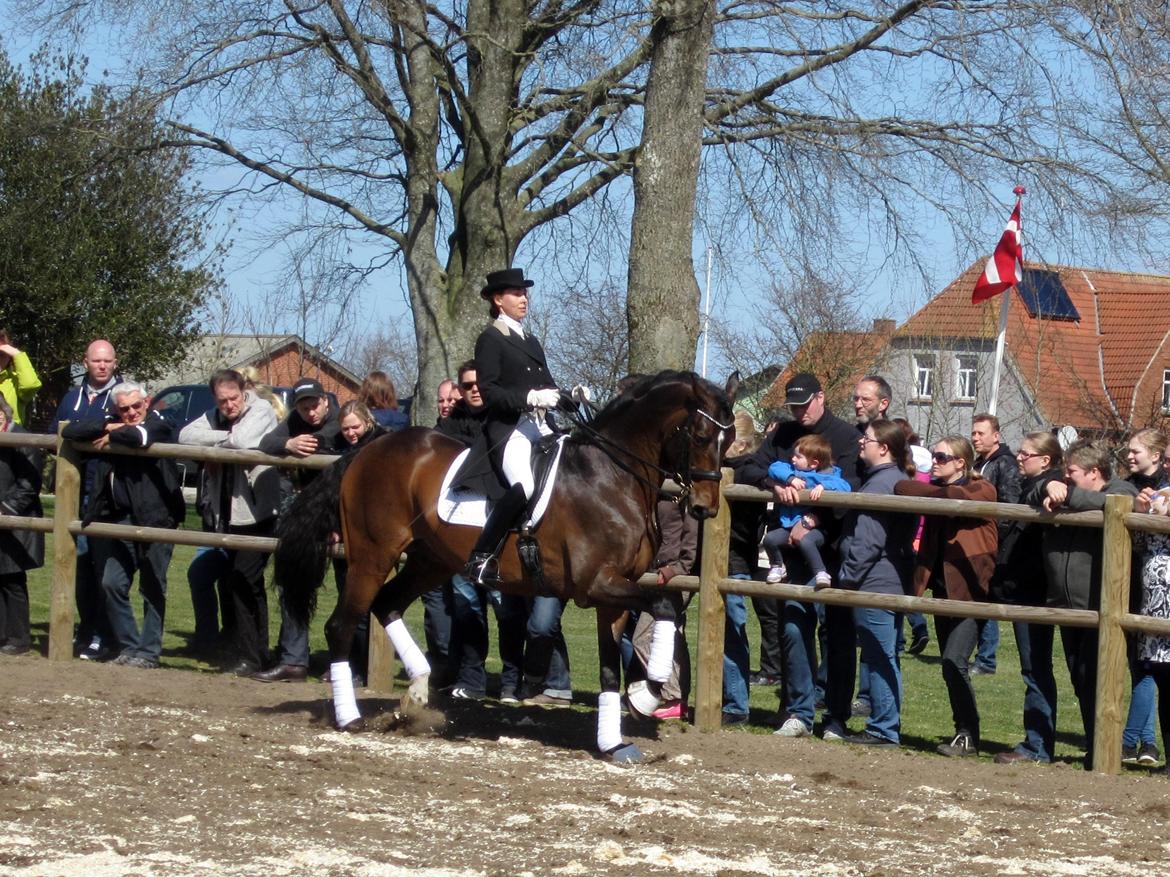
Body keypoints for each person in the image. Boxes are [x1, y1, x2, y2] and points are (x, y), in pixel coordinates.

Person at [736, 372, 862, 739]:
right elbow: (749, 465)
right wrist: (773, 485)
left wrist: (811, 517)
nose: (799, 410)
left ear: (821, 397)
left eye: (805, 403)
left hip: (833, 550)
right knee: (793, 628)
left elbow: (851, 488)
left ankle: (836, 715)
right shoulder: (782, 435)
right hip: (790, 552)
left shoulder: (846, 438)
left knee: (837, 634)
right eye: (793, 404)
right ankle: (800, 711)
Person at [457, 267, 573, 585]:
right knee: (526, 485)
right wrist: (530, 396)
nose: (524, 298)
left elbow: (547, 386)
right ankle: (481, 556)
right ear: (498, 299)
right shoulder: (491, 339)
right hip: (510, 430)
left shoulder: (531, 340)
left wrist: (571, 398)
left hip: (541, 428)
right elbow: (491, 393)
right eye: (517, 293)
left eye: (525, 293)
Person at [61, 382, 185, 669]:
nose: (130, 413)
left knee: (153, 586)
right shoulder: (114, 424)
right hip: (118, 519)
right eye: (124, 409)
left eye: (135, 407)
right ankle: (129, 646)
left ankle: (149, 653)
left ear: (147, 403)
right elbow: (70, 431)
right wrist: (109, 426)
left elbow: (141, 436)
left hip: (158, 518)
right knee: (110, 582)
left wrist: (115, 433)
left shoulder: (161, 424)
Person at [1039, 440, 1139, 768]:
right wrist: (1047, 485)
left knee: (1099, 678)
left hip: (1101, 606)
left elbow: (1120, 502)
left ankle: (1104, 750)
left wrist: (1067, 496)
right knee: (1080, 679)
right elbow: (1030, 491)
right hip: (1068, 605)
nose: (1066, 479)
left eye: (1072, 472)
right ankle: (1093, 746)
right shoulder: (1065, 490)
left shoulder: (1119, 487)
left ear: (1095, 472)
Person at [895, 435, 997, 758]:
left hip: (970, 593)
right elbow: (902, 488)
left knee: (955, 660)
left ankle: (969, 734)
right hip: (942, 591)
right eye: (934, 457)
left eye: (941, 457)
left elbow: (957, 496)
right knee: (949, 665)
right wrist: (938, 494)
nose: (934, 462)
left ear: (961, 463)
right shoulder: (938, 490)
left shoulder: (983, 488)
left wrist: (938, 495)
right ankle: (962, 732)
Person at [179, 369, 282, 676]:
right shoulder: (214, 416)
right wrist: (226, 438)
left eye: (233, 398)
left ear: (244, 391)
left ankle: (252, 656)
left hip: (257, 513)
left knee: (244, 579)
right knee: (238, 581)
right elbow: (185, 436)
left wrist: (219, 444)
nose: (229, 406)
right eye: (222, 401)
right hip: (227, 515)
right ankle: (254, 653)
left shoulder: (261, 409)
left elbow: (245, 441)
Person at [829, 419, 915, 746]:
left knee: (879, 656)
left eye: (867, 439)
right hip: (885, 579)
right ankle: (885, 725)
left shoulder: (881, 485)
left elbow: (868, 542)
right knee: (883, 654)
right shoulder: (890, 479)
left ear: (884, 447)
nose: (861, 443)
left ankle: (883, 728)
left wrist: (847, 578)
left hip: (875, 581)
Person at [255, 378, 342, 682]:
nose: (310, 412)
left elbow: (321, 442)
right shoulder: (295, 420)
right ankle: (294, 659)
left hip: (340, 514)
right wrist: (288, 444)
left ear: (326, 402)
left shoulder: (340, 421)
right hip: (309, 514)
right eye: (304, 407)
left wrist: (296, 444)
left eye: (314, 405)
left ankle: (349, 664)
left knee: (350, 591)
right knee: (293, 580)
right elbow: (267, 443)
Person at [993, 431, 1066, 765]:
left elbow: (1046, 490)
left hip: (1036, 592)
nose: (1019, 458)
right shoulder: (1031, 486)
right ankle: (1037, 743)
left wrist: (1050, 487)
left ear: (1045, 460)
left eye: (1026, 453)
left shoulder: (1052, 486)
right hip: (1025, 589)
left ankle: (1038, 746)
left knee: (1035, 669)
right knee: (1033, 668)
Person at [50, 338, 122, 660]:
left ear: (115, 363)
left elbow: (128, 428)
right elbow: (57, 432)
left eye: (107, 361)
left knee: (103, 570)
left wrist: (94, 428)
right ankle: (85, 629)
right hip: (73, 498)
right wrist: (95, 428)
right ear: (86, 362)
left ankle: (106, 636)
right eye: (96, 361)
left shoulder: (123, 396)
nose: (102, 366)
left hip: (108, 499)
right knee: (77, 568)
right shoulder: (71, 398)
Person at [1120, 428, 1168, 766]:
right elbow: (1135, 544)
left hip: (1162, 591)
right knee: (1149, 668)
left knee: (1155, 672)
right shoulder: (1127, 486)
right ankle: (1148, 743)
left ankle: (1130, 742)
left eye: (1137, 451)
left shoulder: (1164, 490)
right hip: (1140, 588)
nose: (1130, 456)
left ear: (1156, 454)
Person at [761, 433, 851, 589]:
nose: (793, 459)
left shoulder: (826, 476)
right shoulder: (790, 469)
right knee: (770, 539)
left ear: (814, 463)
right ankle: (777, 565)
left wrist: (824, 487)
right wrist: (790, 479)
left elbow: (845, 486)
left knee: (806, 541)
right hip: (788, 525)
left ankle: (821, 573)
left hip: (813, 528)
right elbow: (773, 468)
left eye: (798, 457)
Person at [970, 414, 1022, 676]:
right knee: (977, 595)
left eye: (981, 433)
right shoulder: (980, 463)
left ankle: (987, 659)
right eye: (974, 433)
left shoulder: (1005, 464)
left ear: (996, 436)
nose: (975, 437)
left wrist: (993, 537)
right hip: (978, 540)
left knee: (987, 597)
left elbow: (1009, 504)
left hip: (993, 543)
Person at [0, 396, 44, 655]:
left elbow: (29, 484)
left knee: (13, 579)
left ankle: (19, 638)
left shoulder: (22, 439)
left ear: (6, 414)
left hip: (15, 522)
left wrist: (5, 510)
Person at [0, 329, 42, 426]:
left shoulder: (15, 381)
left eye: (1, 355)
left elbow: (30, 385)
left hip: (9, 439)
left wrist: (17, 354)